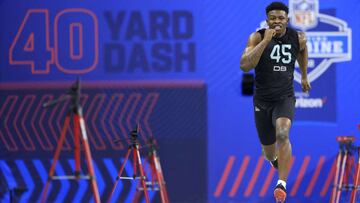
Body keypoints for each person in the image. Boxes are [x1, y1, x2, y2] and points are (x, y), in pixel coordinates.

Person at [240, 2, 311, 203]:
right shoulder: (257, 37)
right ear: (267, 20)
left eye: (281, 18)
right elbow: (245, 65)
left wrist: (304, 76)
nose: (277, 21)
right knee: (270, 154)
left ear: (287, 20)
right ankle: (273, 159)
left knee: (282, 132)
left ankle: (281, 184)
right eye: (273, 18)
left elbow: (302, 51)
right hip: (262, 101)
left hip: (284, 97)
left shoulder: (298, 37)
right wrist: (265, 42)